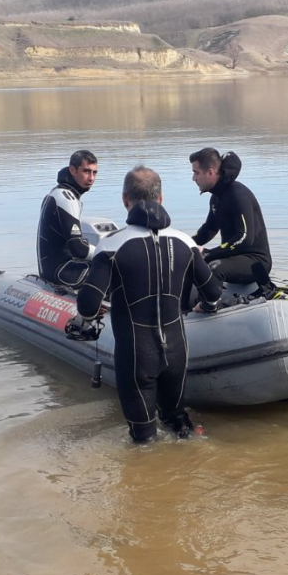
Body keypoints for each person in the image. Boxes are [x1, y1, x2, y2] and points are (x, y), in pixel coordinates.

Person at [74, 166, 222, 444]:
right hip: (176, 350)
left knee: (144, 440)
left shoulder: (111, 246)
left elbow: (87, 306)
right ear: (161, 198)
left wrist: (94, 311)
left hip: (136, 354)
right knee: (178, 424)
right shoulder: (185, 242)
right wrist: (206, 307)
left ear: (125, 200)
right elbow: (213, 293)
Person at [188, 148, 275, 297]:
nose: (193, 178)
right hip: (233, 257)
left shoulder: (237, 194)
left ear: (210, 172)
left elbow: (244, 239)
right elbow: (208, 230)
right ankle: (183, 307)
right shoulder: (216, 198)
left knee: (214, 268)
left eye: (196, 173)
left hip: (256, 261)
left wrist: (208, 253)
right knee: (192, 264)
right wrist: (183, 244)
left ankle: (207, 307)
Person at [37, 150, 99, 288]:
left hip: (51, 270)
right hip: (61, 272)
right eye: (86, 171)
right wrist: (108, 253)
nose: (91, 178)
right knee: (115, 268)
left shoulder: (56, 193)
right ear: (72, 170)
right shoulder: (66, 199)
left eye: (94, 173)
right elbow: (79, 249)